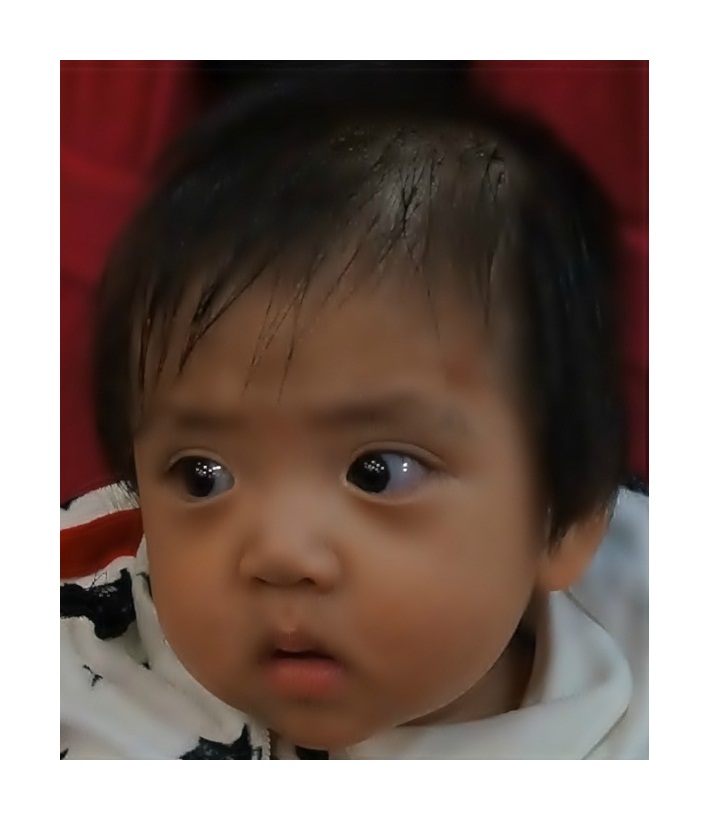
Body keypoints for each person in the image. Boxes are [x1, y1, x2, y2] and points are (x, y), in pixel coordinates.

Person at [60, 64, 648, 759]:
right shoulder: (85, 682)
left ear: (564, 519)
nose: (280, 554)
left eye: (379, 472)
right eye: (202, 476)